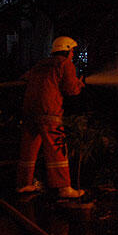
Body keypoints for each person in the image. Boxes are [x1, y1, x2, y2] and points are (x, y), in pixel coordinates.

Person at [17, 36, 85, 198]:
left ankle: (23, 184)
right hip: (49, 112)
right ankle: (63, 188)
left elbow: (24, 78)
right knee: (57, 149)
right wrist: (79, 84)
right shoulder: (64, 64)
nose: (73, 54)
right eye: (72, 51)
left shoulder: (41, 64)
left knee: (28, 150)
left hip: (30, 111)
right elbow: (71, 90)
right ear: (67, 49)